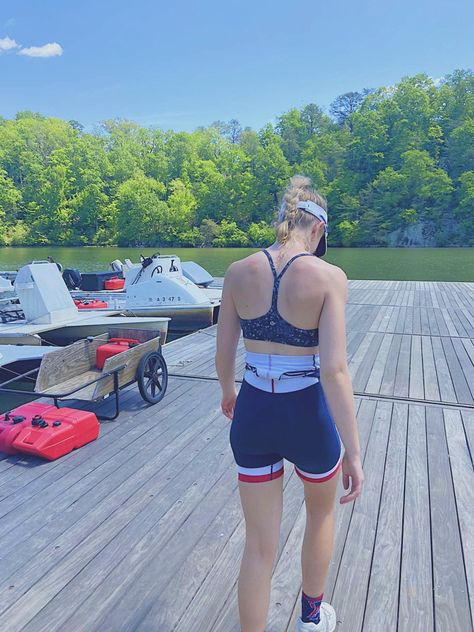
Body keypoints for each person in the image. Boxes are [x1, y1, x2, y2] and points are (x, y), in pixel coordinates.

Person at [215, 175, 364, 632]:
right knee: (321, 514)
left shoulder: (239, 271)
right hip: (307, 417)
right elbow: (334, 370)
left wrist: (228, 393)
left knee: (259, 545)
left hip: (254, 412)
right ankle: (313, 619)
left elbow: (223, 356)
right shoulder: (328, 277)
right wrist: (353, 452)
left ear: (284, 219)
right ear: (317, 230)